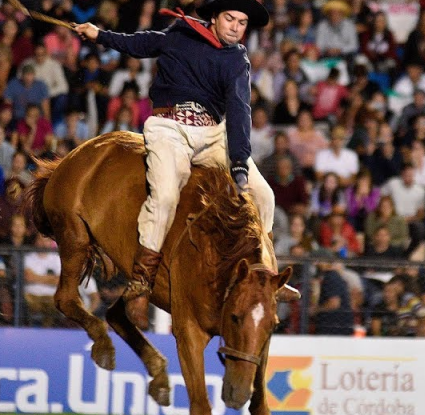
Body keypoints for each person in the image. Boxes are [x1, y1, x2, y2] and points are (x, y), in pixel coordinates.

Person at [74, 0, 278, 327]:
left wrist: (239, 161)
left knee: (264, 196)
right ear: (215, 17)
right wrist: (99, 35)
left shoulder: (237, 58)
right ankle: (142, 278)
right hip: (170, 128)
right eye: (230, 18)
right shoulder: (181, 34)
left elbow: (240, 108)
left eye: (242, 22)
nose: (236, 27)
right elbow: (140, 44)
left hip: (212, 132)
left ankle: (264, 274)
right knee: (166, 195)